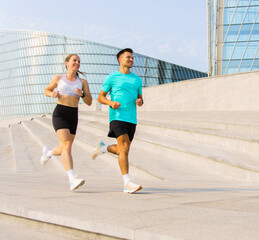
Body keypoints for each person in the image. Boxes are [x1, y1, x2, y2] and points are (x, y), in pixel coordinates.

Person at [91, 48, 143, 194]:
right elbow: (100, 97)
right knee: (125, 147)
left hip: (131, 118)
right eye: (128, 57)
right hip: (117, 116)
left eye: (132, 57)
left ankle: (102, 148)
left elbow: (140, 98)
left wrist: (139, 101)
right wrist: (110, 103)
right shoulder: (112, 77)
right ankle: (127, 182)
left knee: (122, 149)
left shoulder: (137, 79)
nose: (131, 59)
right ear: (120, 60)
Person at [40, 54, 92, 191]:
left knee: (64, 148)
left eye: (79, 61)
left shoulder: (83, 82)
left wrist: (82, 94)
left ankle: (49, 153)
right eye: (74, 60)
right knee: (67, 145)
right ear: (67, 63)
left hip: (73, 115)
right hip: (60, 113)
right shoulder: (59, 79)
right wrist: (52, 94)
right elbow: (47, 90)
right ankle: (72, 179)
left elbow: (89, 102)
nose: (77, 63)